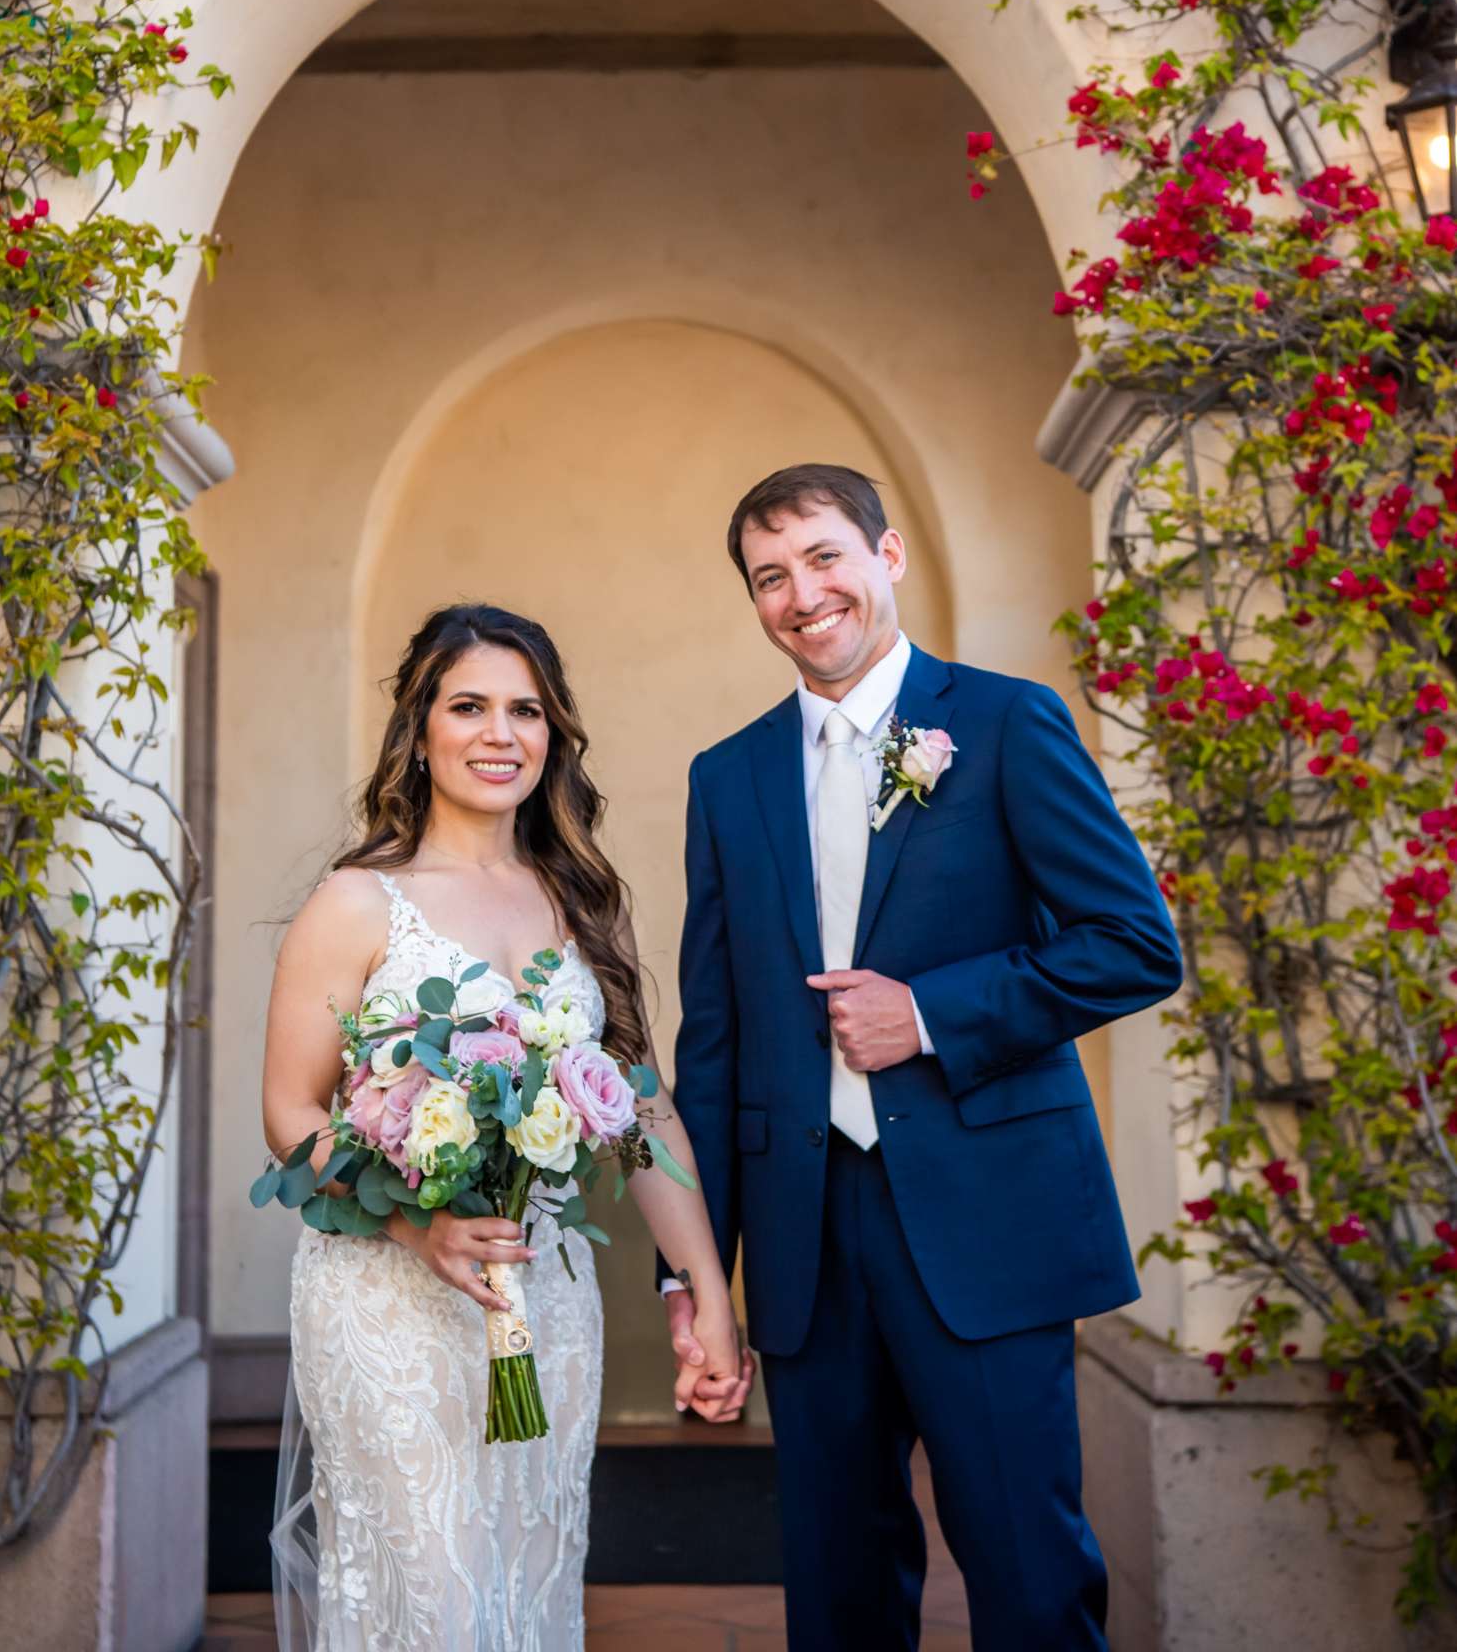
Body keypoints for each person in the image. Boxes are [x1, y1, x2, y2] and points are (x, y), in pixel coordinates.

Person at [661, 463, 1184, 1650]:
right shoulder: (726, 776)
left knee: (1030, 1574)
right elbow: (717, 1040)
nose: (804, 595)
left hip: (989, 1217)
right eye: (770, 577)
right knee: (838, 1588)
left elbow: (1133, 945)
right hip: (805, 1238)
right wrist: (695, 1274)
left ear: (887, 557)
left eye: (826, 557)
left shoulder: (1004, 722)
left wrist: (933, 1014)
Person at [262, 602, 745, 1652]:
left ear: (554, 734)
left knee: (528, 1579)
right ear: (419, 729)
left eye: (526, 710)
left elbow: (638, 1110)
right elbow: (290, 1116)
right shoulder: (357, 903)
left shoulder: (584, 902)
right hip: (388, 1301)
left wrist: (707, 1287)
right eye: (469, 705)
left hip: (546, 1297)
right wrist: (413, 1227)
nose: (500, 733)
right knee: (432, 1596)